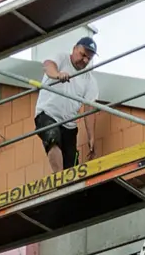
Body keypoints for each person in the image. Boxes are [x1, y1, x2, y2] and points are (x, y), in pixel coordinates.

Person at [36, 36, 99, 172]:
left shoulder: (89, 80)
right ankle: (59, 180)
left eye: (89, 58)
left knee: (71, 164)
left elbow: (89, 109)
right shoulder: (61, 58)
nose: (85, 60)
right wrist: (58, 75)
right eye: (83, 55)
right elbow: (48, 66)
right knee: (53, 138)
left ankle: (66, 187)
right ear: (74, 48)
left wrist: (91, 138)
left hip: (69, 124)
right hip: (48, 114)